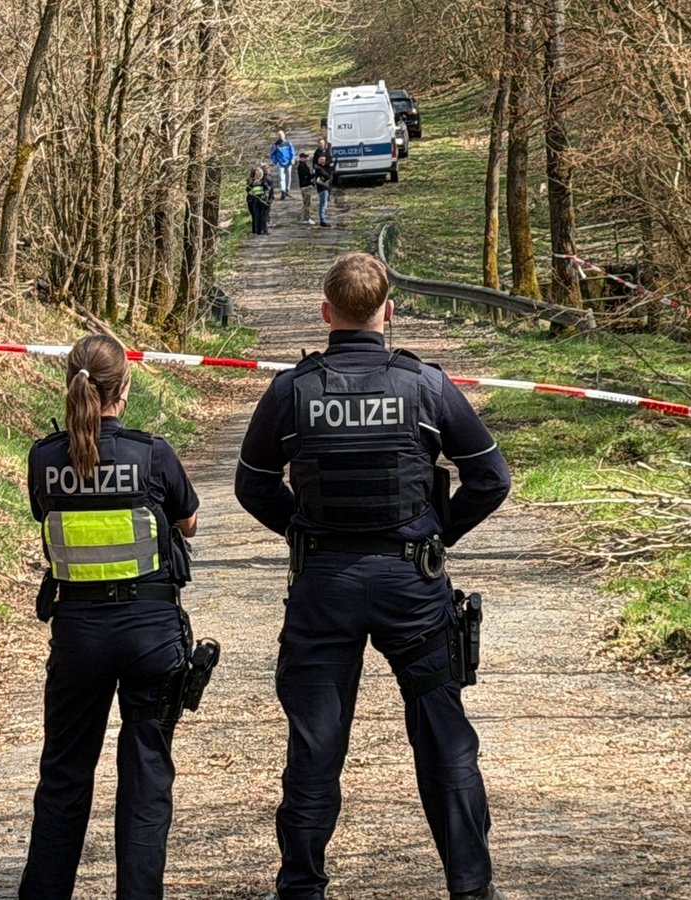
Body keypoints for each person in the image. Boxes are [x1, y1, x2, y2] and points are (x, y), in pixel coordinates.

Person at [235, 253, 512, 900]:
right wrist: (437, 533)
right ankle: (472, 891)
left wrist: (303, 531)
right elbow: (490, 478)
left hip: (323, 586)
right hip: (411, 586)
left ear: (326, 311)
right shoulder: (426, 388)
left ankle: (300, 890)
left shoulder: (291, 391)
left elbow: (251, 485)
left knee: (315, 748)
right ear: (389, 310)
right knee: (445, 738)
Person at [20, 334, 203, 900]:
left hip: (78, 636)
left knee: (64, 777)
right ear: (124, 386)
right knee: (146, 778)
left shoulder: (45, 457)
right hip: (150, 635)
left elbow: (43, 513)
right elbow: (188, 523)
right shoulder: (152, 454)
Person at [311, 143, 334, 228]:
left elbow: (330, 174)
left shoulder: (327, 166)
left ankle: (324, 219)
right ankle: (322, 220)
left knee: (326, 204)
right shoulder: (318, 168)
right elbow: (326, 175)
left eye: (323, 159)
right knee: (323, 204)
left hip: (327, 188)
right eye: (321, 159)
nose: (322, 161)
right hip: (322, 188)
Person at [247, 166, 273, 235]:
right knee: (257, 215)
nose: (257, 177)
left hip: (262, 200)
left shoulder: (263, 182)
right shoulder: (252, 183)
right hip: (255, 200)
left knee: (263, 215)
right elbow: (248, 189)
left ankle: (263, 230)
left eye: (258, 175)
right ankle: (258, 230)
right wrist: (250, 192)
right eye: (256, 175)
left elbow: (267, 188)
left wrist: (265, 194)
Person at [269, 130, 296, 199]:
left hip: (288, 162)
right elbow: (272, 154)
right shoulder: (276, 144)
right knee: (281, 178)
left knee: (288, 177)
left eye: (281, 135)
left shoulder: (288, 143)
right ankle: (283, 191)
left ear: (284, 135)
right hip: (280, 163)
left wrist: (292, 159)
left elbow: (292, 152)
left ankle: (287, 189)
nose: (280, 136)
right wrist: (275, 162)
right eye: (279, 135)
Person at [295, 152, 315, 225]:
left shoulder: (304, 165)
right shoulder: (302, 166)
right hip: (306, 187)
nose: (306, 159)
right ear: (301, 158)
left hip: (306, 186)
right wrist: (312, 176)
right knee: (307, 203)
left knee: (307, 203)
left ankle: (306, 217)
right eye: (305, 157)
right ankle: (307, 218)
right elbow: (306, 176)